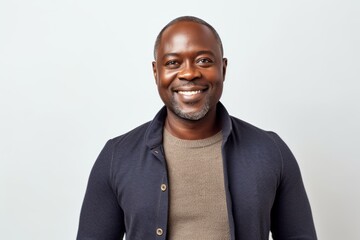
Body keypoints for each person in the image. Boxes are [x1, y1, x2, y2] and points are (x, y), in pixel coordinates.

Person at [77, 16, 317, 240]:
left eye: (204, 60)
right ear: (156, 72)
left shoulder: (270, 151)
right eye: (173, 62)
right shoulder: (117, 156)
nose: (189, 73)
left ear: (223, 68)